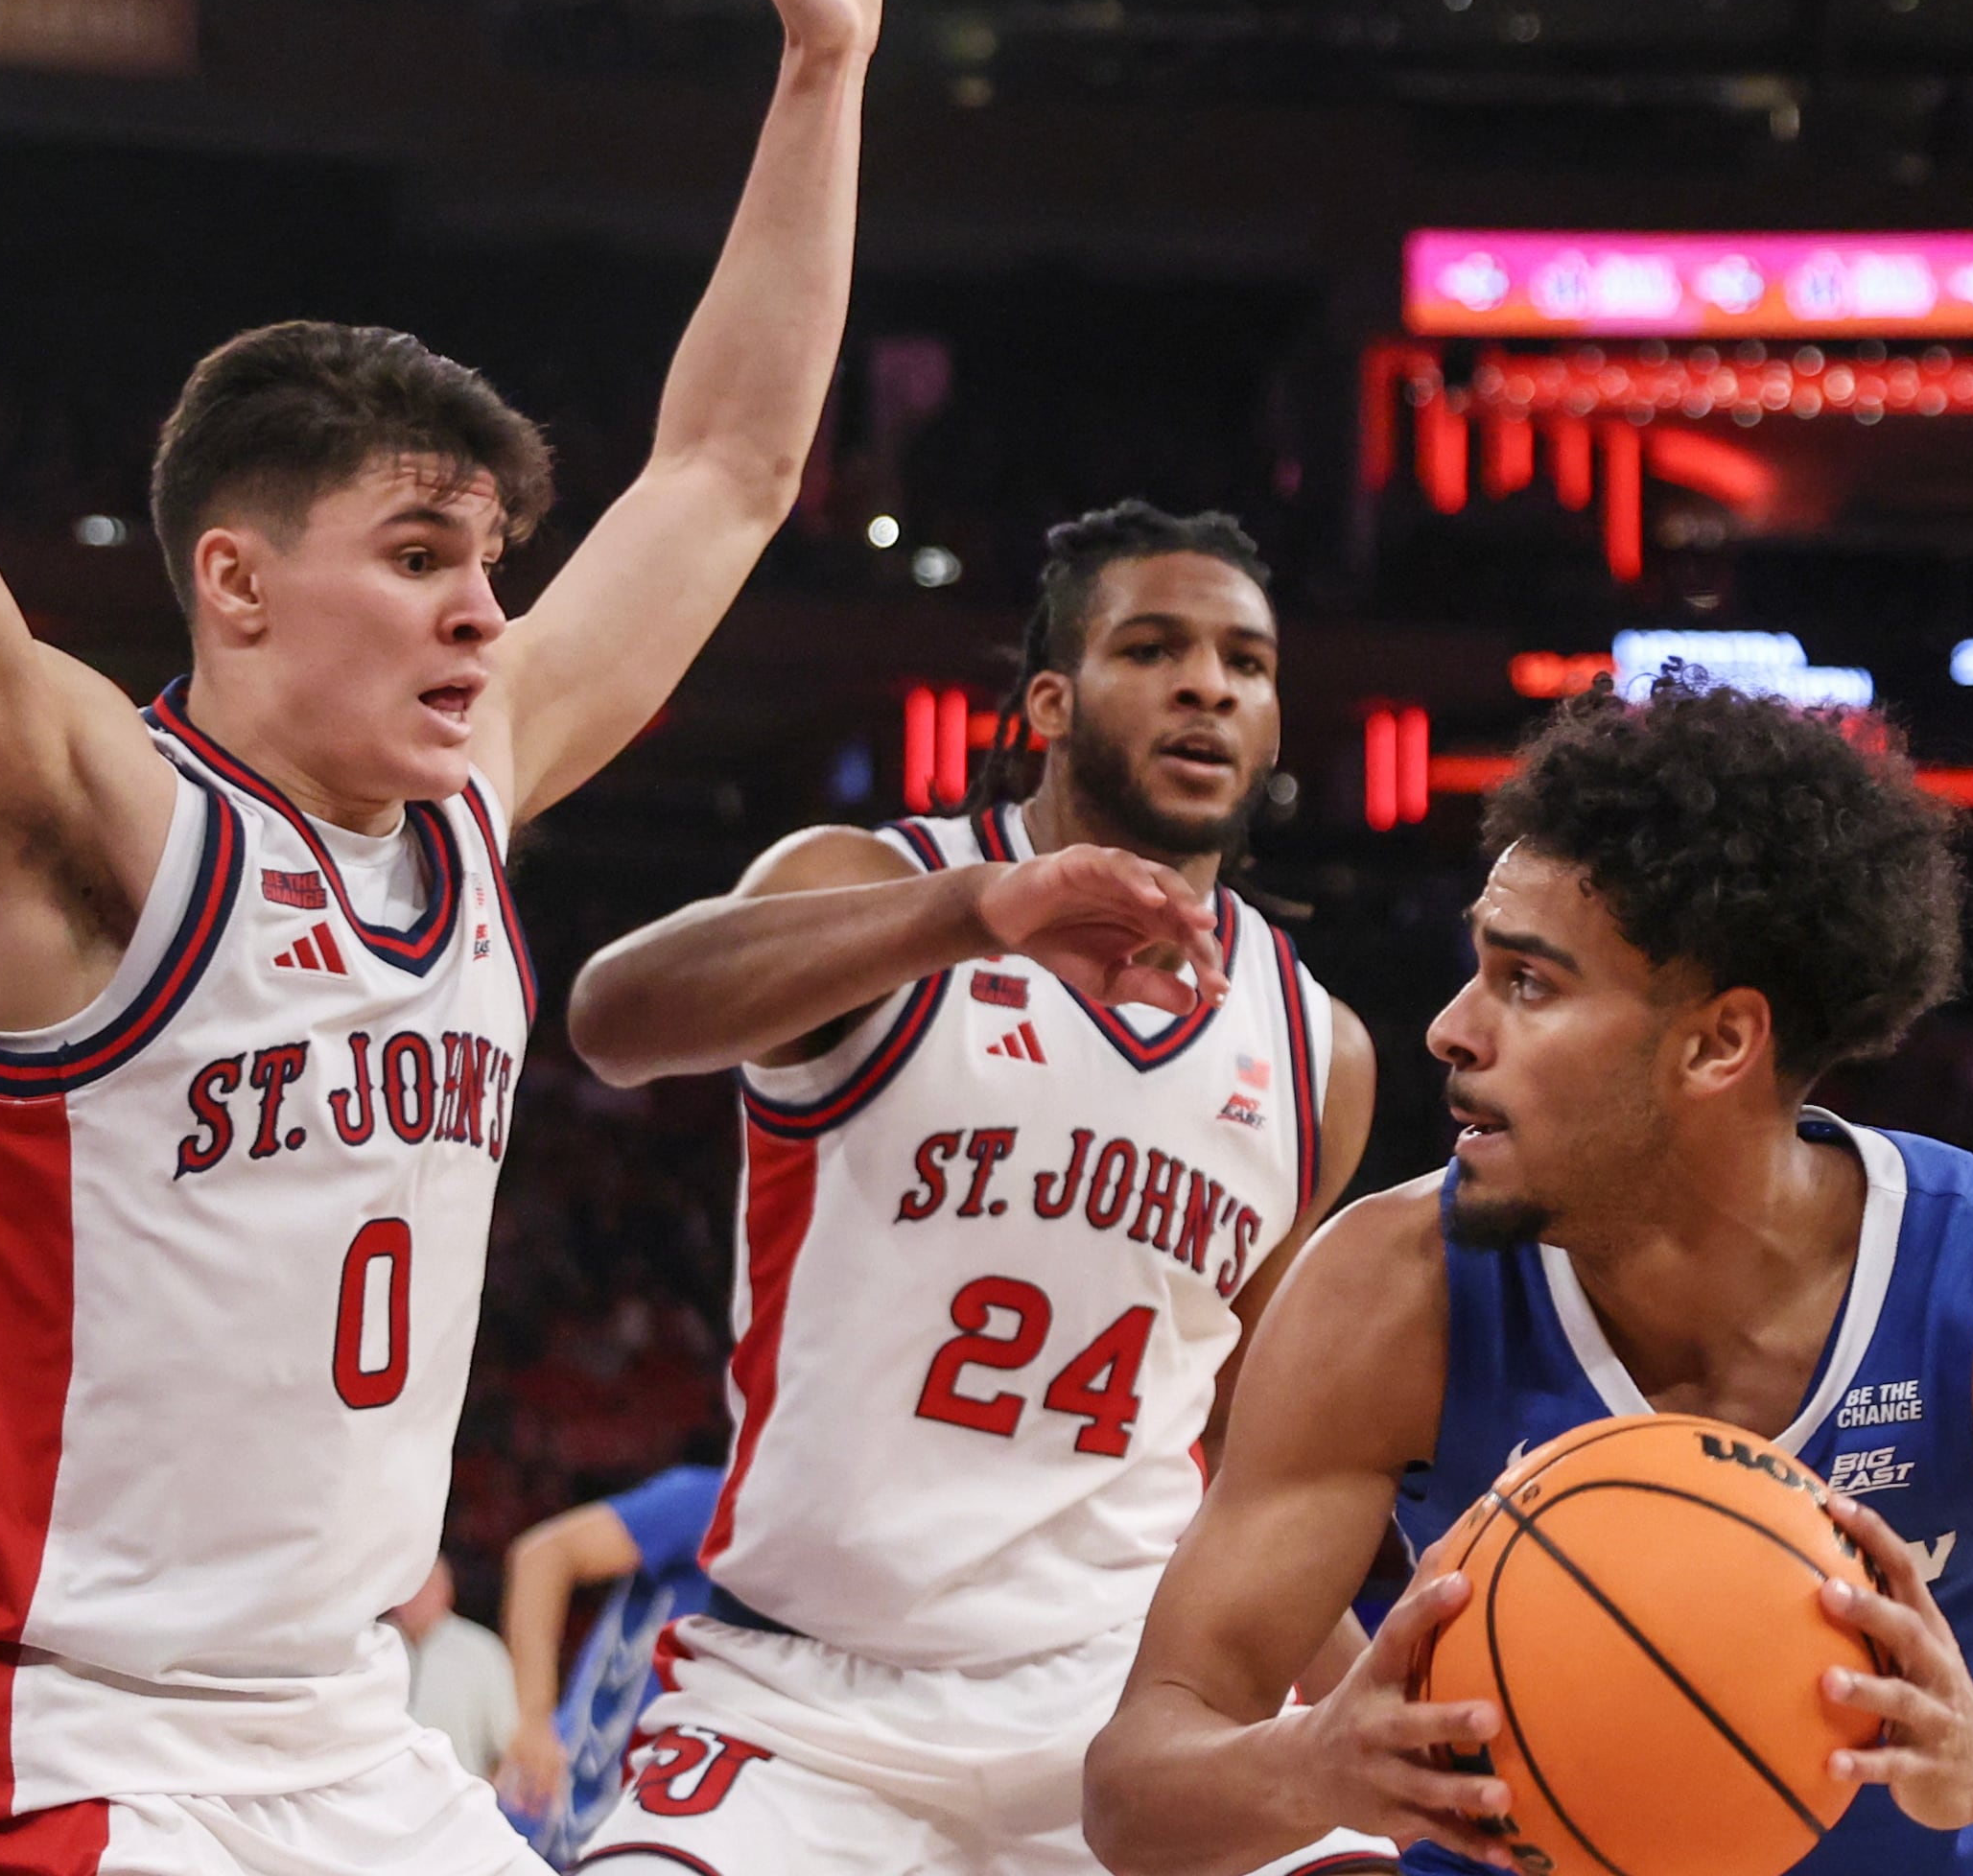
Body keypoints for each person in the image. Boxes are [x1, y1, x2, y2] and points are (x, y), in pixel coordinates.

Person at [0, 0, 904, 1866]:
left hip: (351, 1747)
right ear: (238, 585)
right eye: (421, 553)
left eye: (492, 561)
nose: (483, 611)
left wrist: (824, 73)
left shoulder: (472, 806)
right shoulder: (101, 827)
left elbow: (725, 465)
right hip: (78, 1744)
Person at [1083, 681, 1973, 1876]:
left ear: (1720, 1041)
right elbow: (1134, 1793)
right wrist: (1310, 1772)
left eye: (1527, 983)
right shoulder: (1388, 1291)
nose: (1452, 1029)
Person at [565, 504, 1390, 1876]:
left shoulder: (1320, 1052)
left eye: (1246, 664)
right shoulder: (876, 890)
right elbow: (614, 1017)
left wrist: (1345, 1698)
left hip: (1121, 1700)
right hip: (810, 1702)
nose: (1208, 685)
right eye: (1156, 648)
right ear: (1053, 702)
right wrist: (975, 914)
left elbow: (1248, 1447)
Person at [491, 1462, 721, 1863]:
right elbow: (544, 1555)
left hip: (677, 1822)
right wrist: (533, 1720)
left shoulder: (834, 1574)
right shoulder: (709, 1502)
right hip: (571, 1796)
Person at [389, 1564, 516, 1783]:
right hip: (380, 1798)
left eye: (424, 1587)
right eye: (408, 1587)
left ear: (446, 1592)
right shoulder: (371, 1648)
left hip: (458, 1796)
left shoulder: (482, 1651)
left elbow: (507, 1743)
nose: (414, 1598)